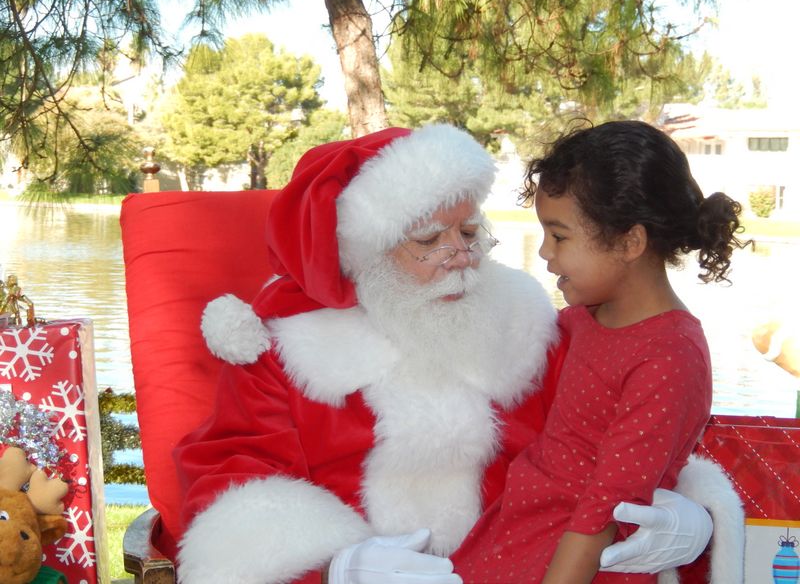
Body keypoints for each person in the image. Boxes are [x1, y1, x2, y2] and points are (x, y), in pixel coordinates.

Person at [173, 124, 739, 584]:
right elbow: (231, 483)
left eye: (470, 232)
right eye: (428, 241)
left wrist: (682, 509)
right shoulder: (288, 351)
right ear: (365, 253)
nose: (461, 257)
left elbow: (610, 439)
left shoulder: (530, 325)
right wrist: (332, 566)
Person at [450, 120, 746, 583]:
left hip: (579, 559)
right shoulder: (586, 318)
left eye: (560, 236)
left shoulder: (669, 357)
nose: (545, 253)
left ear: (630, 242)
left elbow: (605, 507)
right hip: (523, 528)